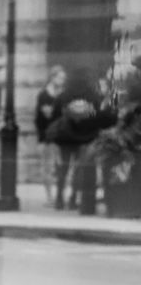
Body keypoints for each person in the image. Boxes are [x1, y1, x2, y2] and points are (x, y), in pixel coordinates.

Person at [46, 67, 103, 210]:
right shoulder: (92, 95)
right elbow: (99, 115)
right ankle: (73, 199)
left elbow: (54, 115)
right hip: (85, 137)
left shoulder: (64, 95)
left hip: (65, 137)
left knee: (63, 168)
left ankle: (59, 198)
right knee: (80, 169)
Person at [34, 66, 66, 205]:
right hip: (47, 137)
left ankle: (59, 195)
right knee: (48, 168)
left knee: (60, 167)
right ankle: (49, 197)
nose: (62, 81)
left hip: (61, 137)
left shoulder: (63, 95)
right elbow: (44, 116)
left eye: (63, 78)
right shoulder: (44, 95)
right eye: (60, 77)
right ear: (52, 77)